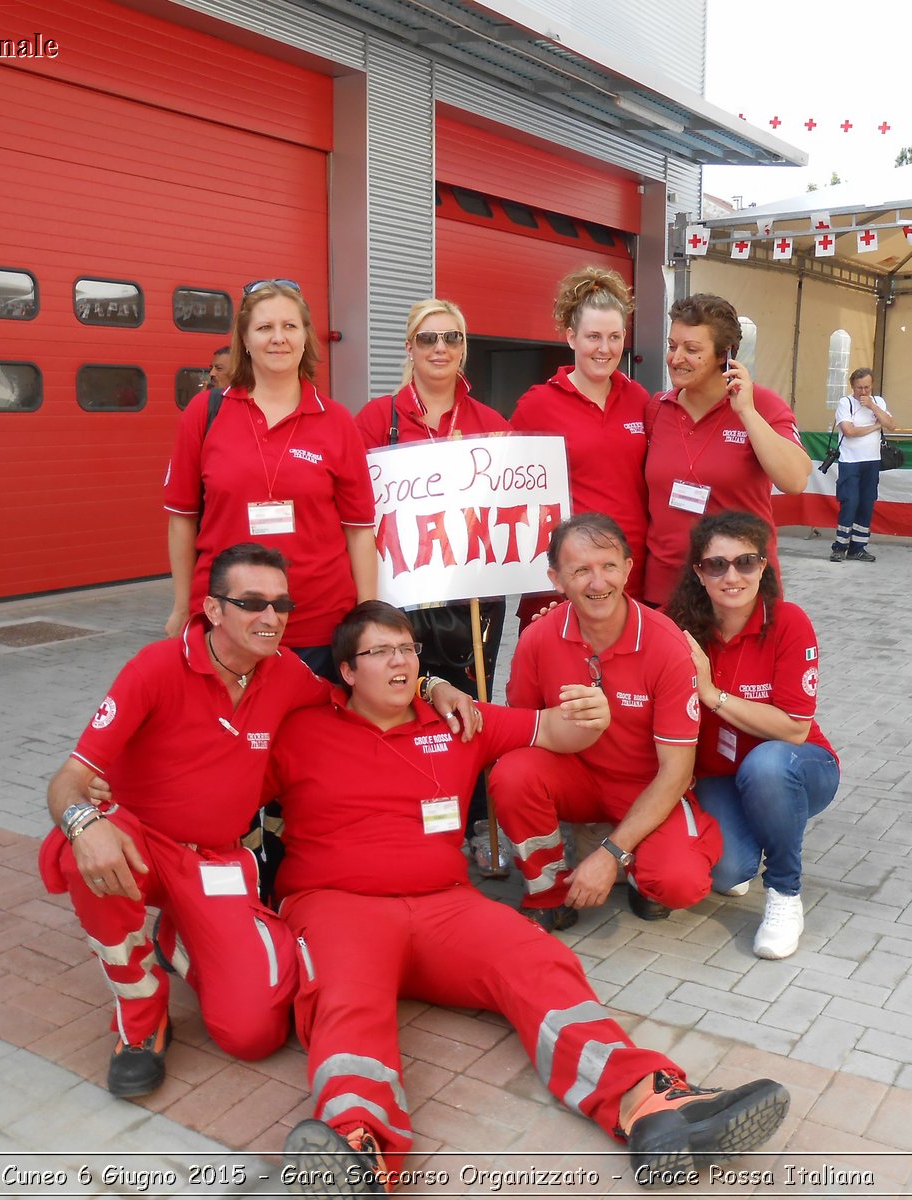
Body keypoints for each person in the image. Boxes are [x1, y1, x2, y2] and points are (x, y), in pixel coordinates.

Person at [268, 602, 789, 1194]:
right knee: (348, 1001)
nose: (401, 662)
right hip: (339, 906)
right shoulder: (298, 729)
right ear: (345, 671)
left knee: (535, 959)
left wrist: (590, 717)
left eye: (409, 650)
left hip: (445, 906)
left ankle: (648, 1105)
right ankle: (359, 1144)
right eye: (380, 652)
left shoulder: (457, 718)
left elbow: (548, 729)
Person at [39, 544, 480, 1099]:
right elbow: (66, 783)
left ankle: (181, 935)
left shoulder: (285, 672)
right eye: (253, 603)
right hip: (140, 841)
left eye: (281, 605)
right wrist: (85, 822)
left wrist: (431, 684)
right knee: (80, 853)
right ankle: (140, 1020)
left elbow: (361, 688)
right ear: (213, 610)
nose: (272, 619)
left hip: (216, 860)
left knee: (255, 1032)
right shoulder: (154, 667)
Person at [491, 513, 717, 931]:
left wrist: (612, 854)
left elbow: (677, 771)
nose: (598, 583)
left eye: (609, 566)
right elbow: (521, 734)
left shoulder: (666, 645)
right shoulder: (537, 639)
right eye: (580, 570)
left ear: (629, 568)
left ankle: (626, 859)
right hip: (575, 778)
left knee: (678, 883)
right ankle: (549, 892)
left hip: (646, 785)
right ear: (556, 579)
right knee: (512, 773)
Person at [353, 298, 512, 873]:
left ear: (464, 347)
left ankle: (476, 825)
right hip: (400, 589)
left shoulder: (491, 424)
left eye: (451, 338)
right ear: (409, 348)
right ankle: (404, 814)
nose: (440, 348)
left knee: (471, 702)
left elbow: (509, 509)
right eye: (427, 339)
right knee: (400, 698)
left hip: (472, 593)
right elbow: (354, 505)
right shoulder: (376, 419)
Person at [164, 281, 376, 678]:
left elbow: (360, 531)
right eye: (264, 328)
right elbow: (182, 518)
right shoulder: (204, 413)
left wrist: (367, 618)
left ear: (305, 337)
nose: (278, 338)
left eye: (289, 327)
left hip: (317, 628)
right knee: (228, 738)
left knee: (312, 739)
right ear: (244, 339)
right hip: (226, 623)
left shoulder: (337, 422)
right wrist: (180, 607)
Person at [666, 512, 839, 960]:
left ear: (763, 567)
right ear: (699, 573)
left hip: (798, 764)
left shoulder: (788, 621)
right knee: (725, 874)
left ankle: (785, 894)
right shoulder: (680, 629)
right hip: (720, 775)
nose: (732, 575)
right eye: (716, 565)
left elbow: (794, 727)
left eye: (745, 561)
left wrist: (711, 694)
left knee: (766, 767)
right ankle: (764, 830)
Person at [642, 293, 809, 604]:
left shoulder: (762, 405)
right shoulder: (656, 410)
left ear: (725, 355)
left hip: (737, 588)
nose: (676, 358)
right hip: (666, 589)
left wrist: (746, 412)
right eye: (672, 345)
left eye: (692, 349)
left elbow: (795, 480)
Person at [511, 267, 649, 626]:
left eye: (615, 337)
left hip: (629, 575)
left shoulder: (639, 399)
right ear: (571, 337)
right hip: (568, 580)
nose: (605, 349)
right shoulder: (537, 405)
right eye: (593, 337)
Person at [828, 367, 897, 563]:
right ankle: (840, 546)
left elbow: (891, 424)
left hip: (872, 461)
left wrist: (873, 408)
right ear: (853, 387)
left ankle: (858, 547)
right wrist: (876, 426)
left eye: (867, 387)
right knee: (850, 501)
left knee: (867, 503)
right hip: (850, 461)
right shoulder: (845, 403)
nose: (863, 392)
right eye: (859, 388)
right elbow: (849, 431)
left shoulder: (879, 402)